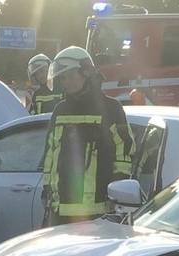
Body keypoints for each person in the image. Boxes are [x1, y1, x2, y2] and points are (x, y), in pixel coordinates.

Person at [40, 46, 134, 226]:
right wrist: (47, 190)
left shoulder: (111, 108)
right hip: (59, 210)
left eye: (67, 76)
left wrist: (117, 188)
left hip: (97, 213)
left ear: (85, 72)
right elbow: (50, 154)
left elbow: (124, 153)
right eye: (61, 78)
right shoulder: (60, 110)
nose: (64, 82)